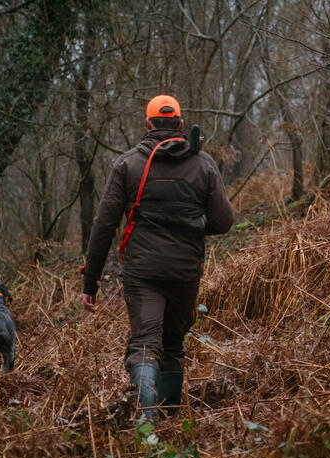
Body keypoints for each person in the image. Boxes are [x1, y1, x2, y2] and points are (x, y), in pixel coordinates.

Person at [81, 95, 234, 420]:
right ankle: (167, 423)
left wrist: (90, 280)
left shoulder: (127, 164)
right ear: (179, 124)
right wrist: (187, 225)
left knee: (146, 345)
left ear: (148, 124)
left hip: (143, 273)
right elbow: (224, 221)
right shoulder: (203, 163)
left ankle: (146, 423)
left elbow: (104, 225)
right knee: (173, 344)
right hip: (185, 272)